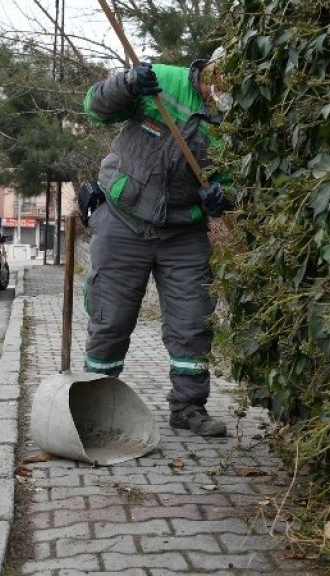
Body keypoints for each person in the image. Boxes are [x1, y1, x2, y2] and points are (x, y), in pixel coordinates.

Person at [79, 52, 233, 437]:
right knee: (110, 318)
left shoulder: (236, 118)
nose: (226, 97)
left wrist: (224, 195)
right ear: (212, 72)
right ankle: (96, 403)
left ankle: (188, 407)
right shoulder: (161, 80)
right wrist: (127, 83)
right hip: (122, 219)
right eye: (227, 84)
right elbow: (95, 108)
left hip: (184, 232)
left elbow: (237, 177)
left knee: (193, 322)